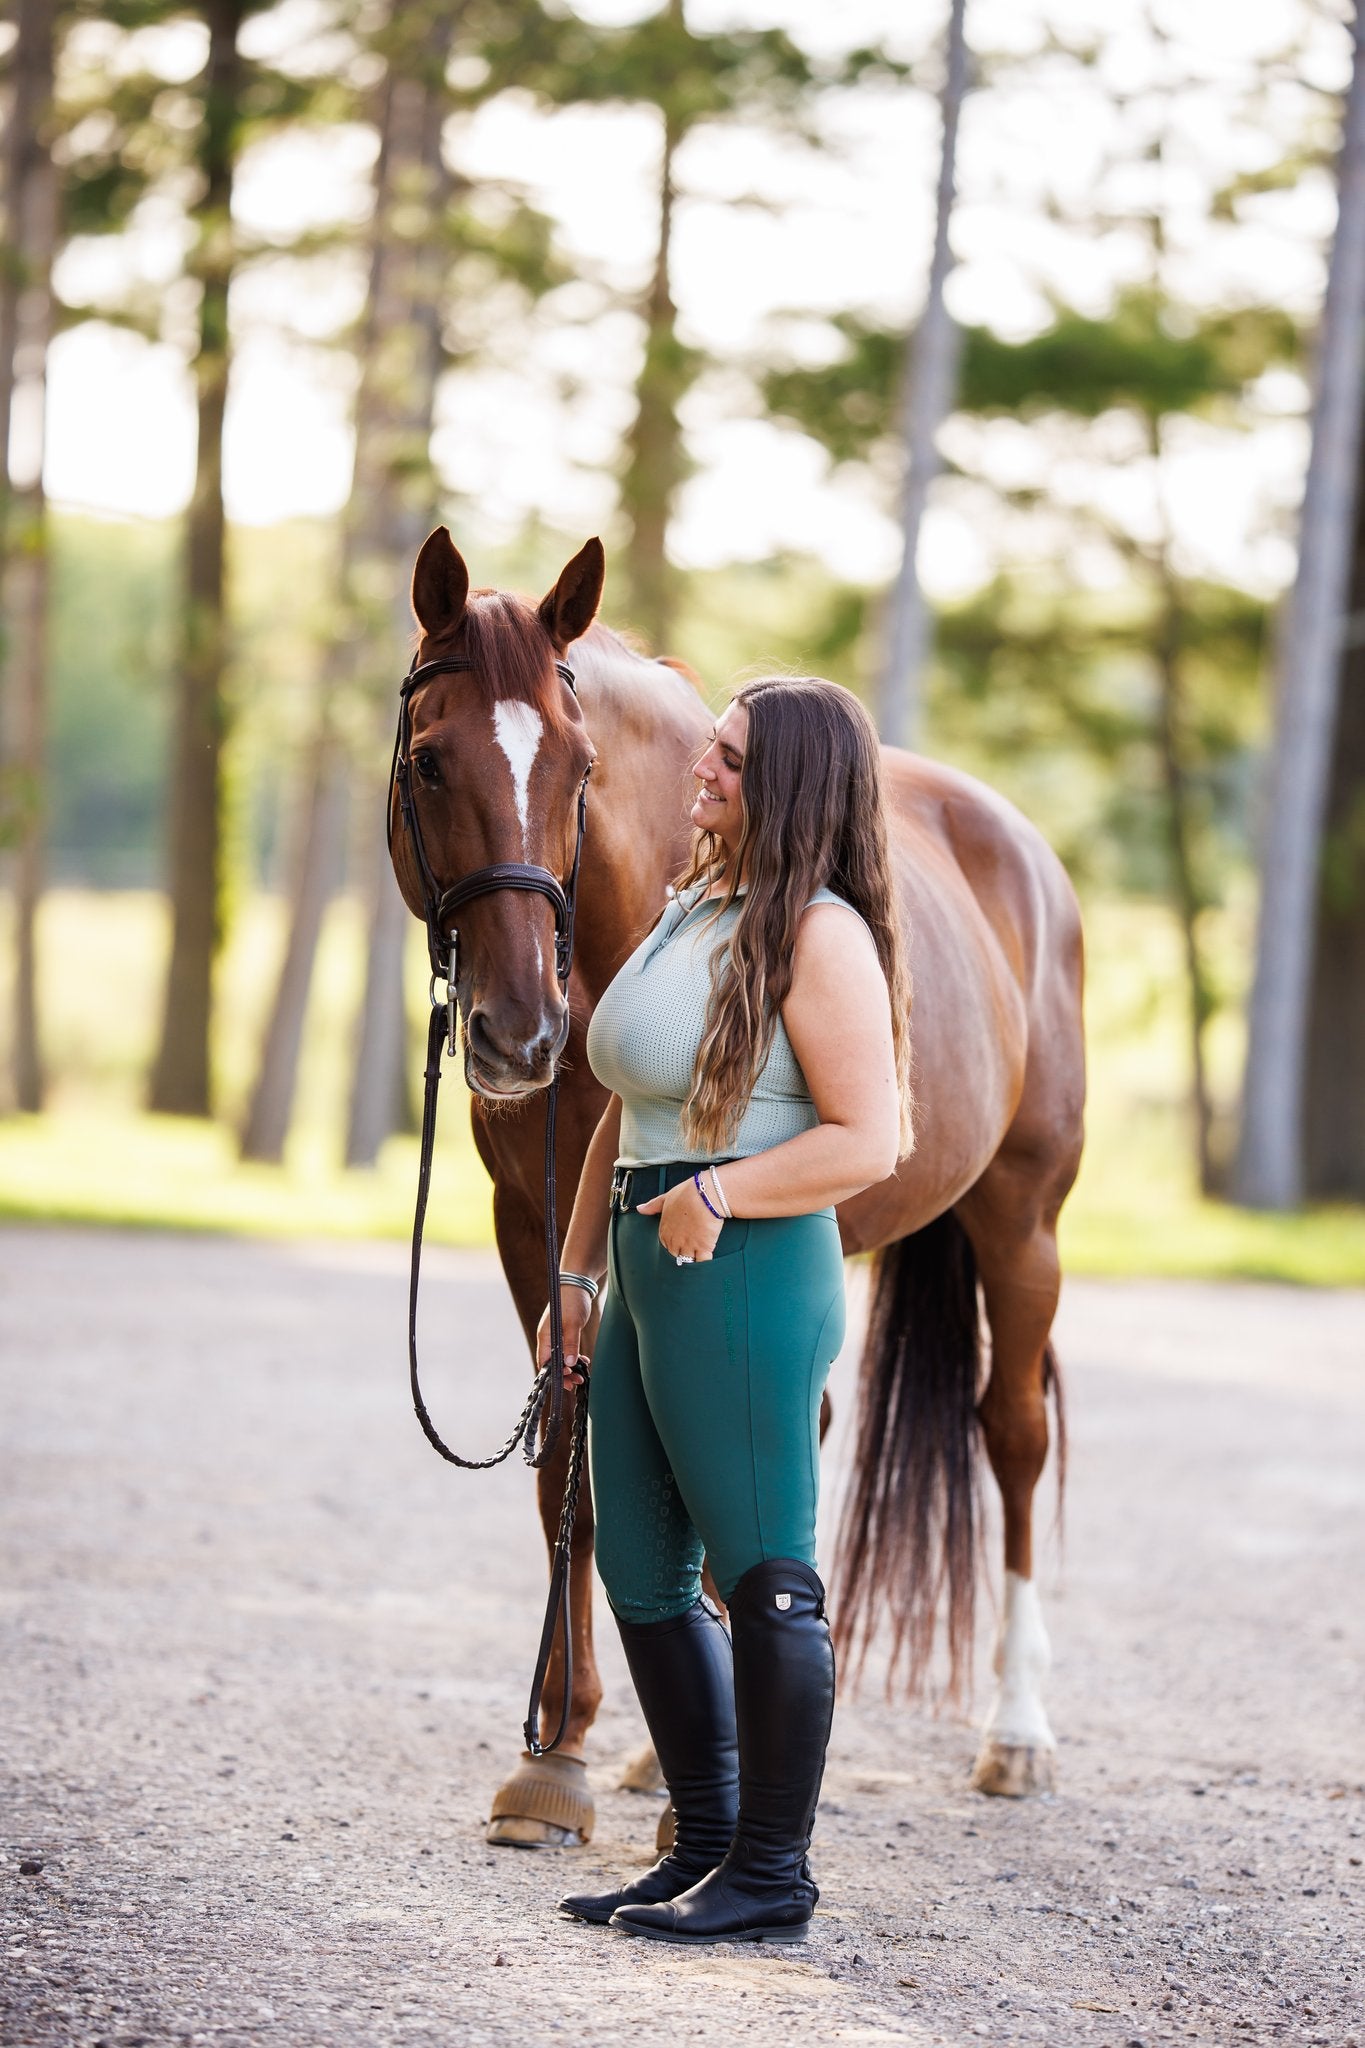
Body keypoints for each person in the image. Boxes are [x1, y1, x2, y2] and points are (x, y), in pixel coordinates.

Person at [535, 675, 914, 1946]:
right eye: (713, 744)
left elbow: (874, 1136)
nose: (703, 765)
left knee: (765, 1576)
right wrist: (575, 1277)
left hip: (743, 1270)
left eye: (735, 759)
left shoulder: (819, 934)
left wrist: (727, 1190)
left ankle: (772, 1872)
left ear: (795, 786)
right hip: (647, 1259)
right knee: (641, 1567)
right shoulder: (695, 903)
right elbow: (622, 1120)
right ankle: (702, 1843)